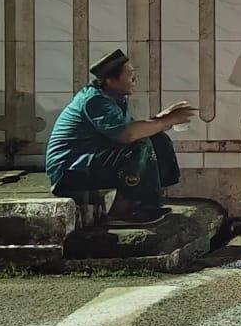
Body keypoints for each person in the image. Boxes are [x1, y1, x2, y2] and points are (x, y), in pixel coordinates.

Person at [45, 50, 193, 225]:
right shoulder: (95, 101)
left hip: (88, 161)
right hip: (69, 170)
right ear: (110, 80)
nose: (134, 79)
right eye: (129, 75)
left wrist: (163, 119)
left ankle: (145, 204)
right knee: (140, 146)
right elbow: (127, 135)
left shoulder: (113, 98)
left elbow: (132, 130)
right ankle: (120, 213)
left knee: (156, 138)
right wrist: (168, 120)